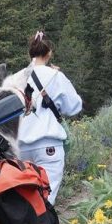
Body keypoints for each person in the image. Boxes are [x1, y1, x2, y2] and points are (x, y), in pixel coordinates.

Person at [17, 30, 82, 205]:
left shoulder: (18, 77)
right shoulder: (56, 76)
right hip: (48, 146)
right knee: (46, 200)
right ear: (49, 53)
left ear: (30, 52)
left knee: (24, 199)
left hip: (20, 148)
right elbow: (74, 106)